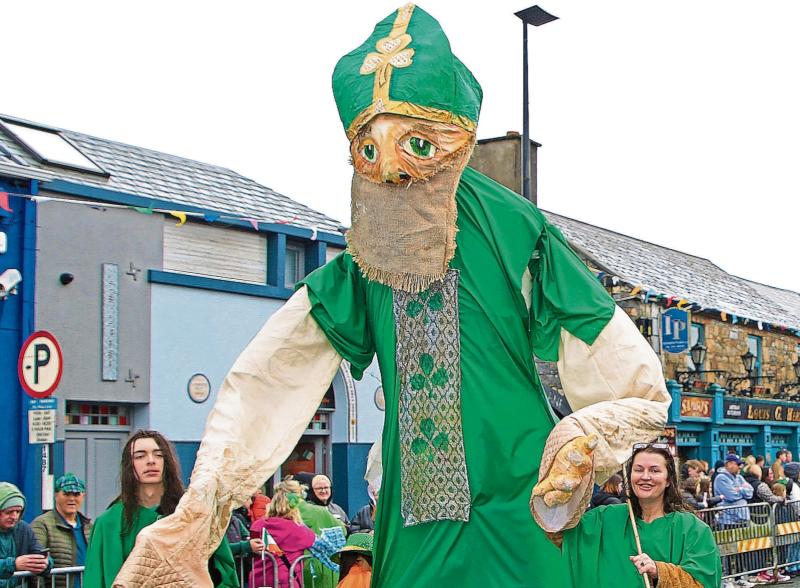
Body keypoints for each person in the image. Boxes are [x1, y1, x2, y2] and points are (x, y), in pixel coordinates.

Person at [115, 5, 671, 586]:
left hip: (517, 501)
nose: (394, 174)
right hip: (415, 514)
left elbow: (605, 344)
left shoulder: (512, 227)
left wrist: (590, 432)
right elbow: (274, 371)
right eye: (371, 152)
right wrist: (208, 493)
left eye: (417, 146)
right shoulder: (365, 253)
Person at [83, 430, 238, 588]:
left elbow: (225, 574)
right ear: (130, 464)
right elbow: (94, 580)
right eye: (140, 456)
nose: (151, 461)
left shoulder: (195, 514)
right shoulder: (109, 523)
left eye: (158, 454)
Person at [561, 443, 721, 587]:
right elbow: (561, 536)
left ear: (668, 480)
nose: (645, 476)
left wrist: (660, 572)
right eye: (638, 470)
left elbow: (703, 583)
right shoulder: (605, 518)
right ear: (629, 477)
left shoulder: (693, 528)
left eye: (655, 470)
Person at [249, 481, 315, 588]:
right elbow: (313, 540)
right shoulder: (298, 529)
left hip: (259, 579)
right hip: (285, 581)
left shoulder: (258, 525)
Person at [31, 473, 91, 588]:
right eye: (66, 494)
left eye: (76, 494)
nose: (72, 499)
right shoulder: (42, 524)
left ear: (83, 496)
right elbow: (36, 565)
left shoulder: (89, 527)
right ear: (56, 495)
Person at [0, 482, 51, 588]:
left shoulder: (23, 528)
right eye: (9, 512)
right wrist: (13, 565)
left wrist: (44, 563)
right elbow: (15, 564)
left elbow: (39, 551)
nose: (14, 516)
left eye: (18, 511)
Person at [714, 454, 753, 528]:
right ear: (729, 464)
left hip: (743, 518)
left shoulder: (739, 477)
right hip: (728, 520)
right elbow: (731, 496)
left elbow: (750, 492)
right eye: (737, 464)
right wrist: (743, 492)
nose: (740, 467)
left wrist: (740, 489)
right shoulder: (721, 478)